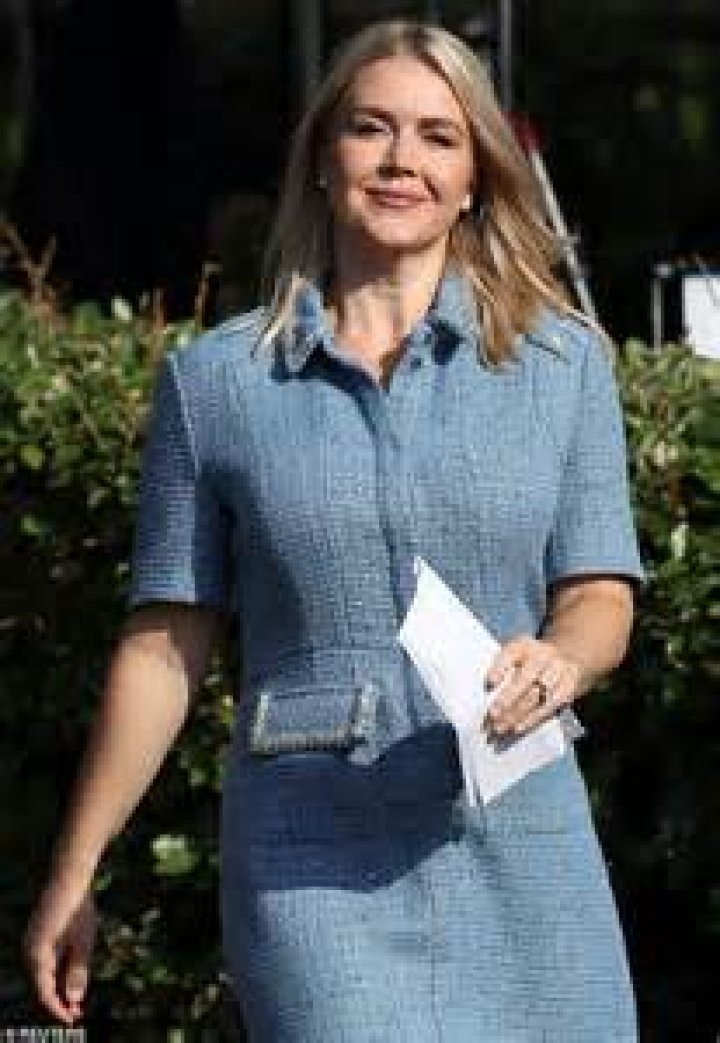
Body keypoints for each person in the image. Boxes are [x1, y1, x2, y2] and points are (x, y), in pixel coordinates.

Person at [24, 18, 645, 1041]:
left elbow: (600, 594)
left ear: (476, 178)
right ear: (321, 158)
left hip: (527, 843)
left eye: (439, 136)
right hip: (310, 857)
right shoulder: (215, 386)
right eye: (371, 128)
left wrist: (563, 659)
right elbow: (166, 645)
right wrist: (75, 868)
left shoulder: (564, 367)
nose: (403, 159)